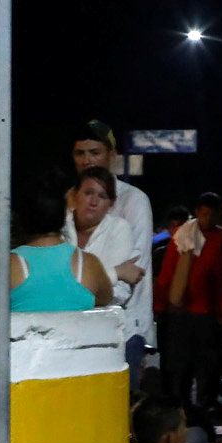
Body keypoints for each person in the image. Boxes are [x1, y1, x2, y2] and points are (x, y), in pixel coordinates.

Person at [71, 121, 156, 361]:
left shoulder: (134, 201)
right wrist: (114, 272)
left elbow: (132, 272)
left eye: (94, 153)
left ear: (112, 154)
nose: (87, 160)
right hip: (77, 327)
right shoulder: (68, 200)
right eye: (80, 153)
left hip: (124, 328)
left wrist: (74, 285)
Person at [155, 193, 222, 423]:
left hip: (208, 312)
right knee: (181, 364)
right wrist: (162, 306)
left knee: (208, 364)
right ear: (197, 212)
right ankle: (182, 407)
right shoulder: (183, 237)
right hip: (182, 312)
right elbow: (167, 275)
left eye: (213, 214)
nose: (207, 219)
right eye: (203, 213)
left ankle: (205, 404)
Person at [0, 182, 113, 314]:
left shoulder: (3, 267)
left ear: (21, 220)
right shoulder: (90, 265)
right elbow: (106, 299)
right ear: (63, 217)